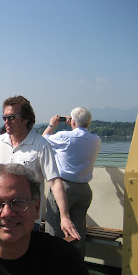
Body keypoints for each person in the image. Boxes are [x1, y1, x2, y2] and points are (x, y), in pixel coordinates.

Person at [0, 95, 79, 239]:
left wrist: (65, 217)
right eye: (4, 118)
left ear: (26, 119)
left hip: (26, 219)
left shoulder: (41, 145)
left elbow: (55, 182)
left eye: (11, 117)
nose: (6, 122)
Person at [42, 107, 101, 258]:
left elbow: (42, 141)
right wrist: (75, 125)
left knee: (55, 228)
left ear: (72, 121)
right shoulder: (96, 140)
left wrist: (51, 125)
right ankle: (77, 264)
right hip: (84, 190)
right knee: (78, 230)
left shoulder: (64, 137)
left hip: (63, 189)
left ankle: (54, 265)